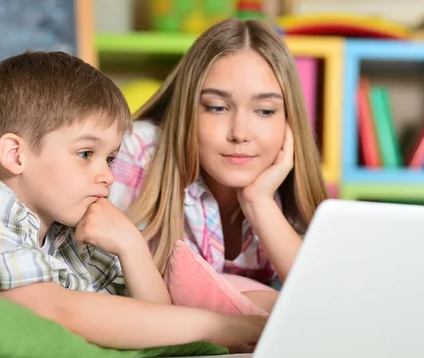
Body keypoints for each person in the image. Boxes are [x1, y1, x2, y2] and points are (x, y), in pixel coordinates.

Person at [0, 50, 265, 350]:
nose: (107, 175)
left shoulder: (69, 227)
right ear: (15, 155)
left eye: (110, 159)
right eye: (86, 153)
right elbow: (55, 309)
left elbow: (152, 319)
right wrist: (217, 326)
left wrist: (131, 246)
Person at [109, 19, 329, 311]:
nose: (239, 132)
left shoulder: (292, 190)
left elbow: (326, 303)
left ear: (289, 121)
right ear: (188, 109)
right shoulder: (136, 153)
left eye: (265, 111)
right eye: (217, 107)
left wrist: (258, 201)